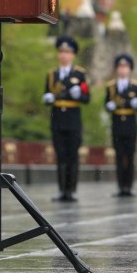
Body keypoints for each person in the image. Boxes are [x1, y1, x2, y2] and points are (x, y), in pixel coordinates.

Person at [43, 35, 91, 202]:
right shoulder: (52, 75)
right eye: (61, 51)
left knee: (73, 155)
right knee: (60, 155)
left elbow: (87, 98)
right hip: (57, 118)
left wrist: (79, 95)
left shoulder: (80, 74)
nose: (64, 55)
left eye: (67, 52)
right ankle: (62, 190)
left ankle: (72, 190)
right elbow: (46, 95)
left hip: (73, 118)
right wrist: (47, 98)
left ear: (73, 55)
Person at [104, 54, 137, 197]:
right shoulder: (111, 87)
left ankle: (129, 186)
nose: (122, 70)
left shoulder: (135, 86)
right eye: (120, 67)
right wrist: (109, 106)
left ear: (130, 69)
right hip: (117, 124)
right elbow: (106, 104)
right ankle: (121, 186)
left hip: (131, 124)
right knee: (119, 156)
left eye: (125, 67)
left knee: (130, 156)